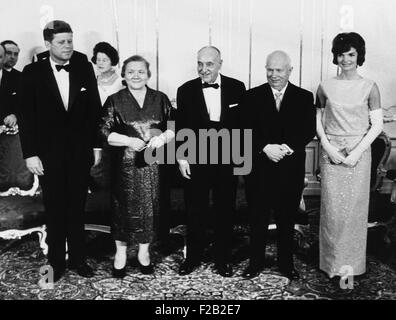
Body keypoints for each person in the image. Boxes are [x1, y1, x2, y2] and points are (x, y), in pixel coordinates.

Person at [17, 20, 102, 282]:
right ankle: (54, 264)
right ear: (48, 44)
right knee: (54, 209)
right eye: (61, 42)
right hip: (47, 155)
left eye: (70, 41)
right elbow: (26, 117)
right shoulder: (31, 72)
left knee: (77, 208)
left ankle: (79, 259)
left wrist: (97, 145)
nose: (68, 46)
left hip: (79, 152)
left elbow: (94, 110)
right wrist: (30, 154)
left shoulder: (84, 67)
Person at [241, 50, 316, 281]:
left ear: (289, 71)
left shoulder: (304, 97)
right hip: (259, 169)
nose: (273, 74)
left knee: (286, 219)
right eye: (269, 69)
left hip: (289, 169)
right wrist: (265, 148)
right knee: (258, 219)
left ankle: (286, 263)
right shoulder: (251, 96)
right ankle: (255, 263)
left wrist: (284, 149)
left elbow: (307, 130)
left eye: (279, 70)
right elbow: (243, 129)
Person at [100, 55, 175, 278]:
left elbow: (173, 125)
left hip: (153, 165)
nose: (136, 75)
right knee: (123, 209)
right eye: (131, 71)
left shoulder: (160, 99)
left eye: (141, 71)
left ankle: (144, 253)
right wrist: (128, 140)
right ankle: (120, 254)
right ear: (123, 75)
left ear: (148, 75)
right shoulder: (115, 100)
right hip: (124, 166)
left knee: (150, 208)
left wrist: (163, 137)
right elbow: (103, 132)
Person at [316, 32, 383, 280]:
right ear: (335, 56)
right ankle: (330, 264)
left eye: (351, 54)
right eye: (342, 54)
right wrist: (327, 146)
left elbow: (376, 126)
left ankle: (352, 266)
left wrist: (356, 154)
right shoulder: (325, 85)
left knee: (354, 212)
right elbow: (318, 120)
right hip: (331, 155)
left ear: (359, 56)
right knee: (332, 211)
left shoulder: (370, 87)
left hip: (358, 156)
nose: (346, 59)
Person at [175, 46, 246, 277]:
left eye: (209, 64)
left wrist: (241, 160)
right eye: (200, 64)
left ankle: (222, 259)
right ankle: (193, 257)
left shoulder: (237, 87)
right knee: (195, 208)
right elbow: (181, 126)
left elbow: (242, 126)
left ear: (220, 64)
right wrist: (182, 157)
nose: (203, 69)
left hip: (226, 156)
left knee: (225, 209)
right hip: (197, 155)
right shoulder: (185, 90)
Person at [91, 41, 124, 106]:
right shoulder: (92, 81)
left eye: (104, 60)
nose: (100, 63)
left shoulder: (121, 81)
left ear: (112, 61)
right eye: (98, 60)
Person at [0, 44, 18, 129]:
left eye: (16, 54)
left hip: (8, 129)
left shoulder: (22, 77)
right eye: (9, 53)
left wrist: (15, 115)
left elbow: (26, 104)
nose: (12, 57)